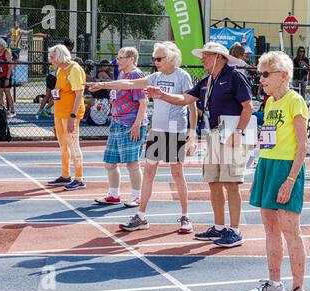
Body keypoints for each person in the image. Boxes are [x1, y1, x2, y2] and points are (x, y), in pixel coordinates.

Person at [146, 42, 254, 248]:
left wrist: (239, 132)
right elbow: (184, 99)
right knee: (213, 182)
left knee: (231, 183)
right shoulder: (207, 80)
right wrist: (161, 95)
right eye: (202, 55)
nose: (202, 59)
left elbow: (248, 106)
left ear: (219, 57)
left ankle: (235, 230)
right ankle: (219, 227)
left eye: (206, 55)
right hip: (214, 134)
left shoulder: (234, 76)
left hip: (232, 135)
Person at [87, 41, 197, 234]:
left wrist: (192, 133)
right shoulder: (155, 76)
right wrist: (103, 84)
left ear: (171, 58)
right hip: (157, 130)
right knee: (148, 173)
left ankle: (185, 215)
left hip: (174, 129)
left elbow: (190, 104)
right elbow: (129, 83)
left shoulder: (182, 76)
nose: (155, 61)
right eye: (154, 58)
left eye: (159, 58)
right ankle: (141, 216)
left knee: (177, 174)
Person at [244, 51, 308, 291]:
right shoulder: (269, 103)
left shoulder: (295, 101)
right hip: (268, 165)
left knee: (291, 229)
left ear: (283, 76)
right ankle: (274, 283)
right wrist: (256, 157)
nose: (261, 79)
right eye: (260, 74)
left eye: (266, 74)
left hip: (286, 168)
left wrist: (290, 180)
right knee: (270, 228)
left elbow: (303, 147)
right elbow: (268, 140)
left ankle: (299, 288)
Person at [93, 47, 148, 207]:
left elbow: (143, 102)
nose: (117, 61)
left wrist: (137, 125)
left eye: (121, 58)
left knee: (132, 163)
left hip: (130, 124)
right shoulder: (122, 74)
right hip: (117, 124)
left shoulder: (136, 75)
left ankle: (138, 196)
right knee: (110, 163)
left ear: (131, 59)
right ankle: (113, 194)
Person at [46, 44, 87, 191]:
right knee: (63, 144)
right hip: (59, 112)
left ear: (59, 56)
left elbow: (79, 94)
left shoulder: (74, 69)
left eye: (52, 57)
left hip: (70, 114)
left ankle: (79, 178)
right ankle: (65, 175)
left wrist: (73, 115)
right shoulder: (60, 70)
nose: (50, 60)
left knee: (74, 145)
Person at [0, 37, 16, 118]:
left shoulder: (7, 52)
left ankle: (12, 110)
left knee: (7, 92)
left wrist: (7, 78)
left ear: (2, 45)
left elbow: (10, 66)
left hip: (6, 76)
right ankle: (2, 110)